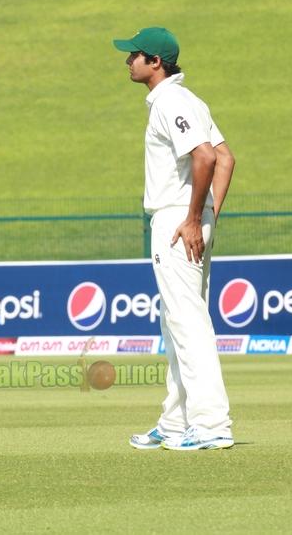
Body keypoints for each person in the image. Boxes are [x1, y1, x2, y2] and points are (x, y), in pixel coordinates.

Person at [113, 27, 236, 450]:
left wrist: (189, 218)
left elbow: (206, 156)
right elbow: (226, 157)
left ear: (155, 62)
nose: (127, 61)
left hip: (175, 224)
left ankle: (212, 425)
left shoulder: (171, 101)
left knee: (188, 324)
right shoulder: (189, 100)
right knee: (176, 323)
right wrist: (207, 216)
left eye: (134, 55)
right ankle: (174, 424)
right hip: (191, 220)